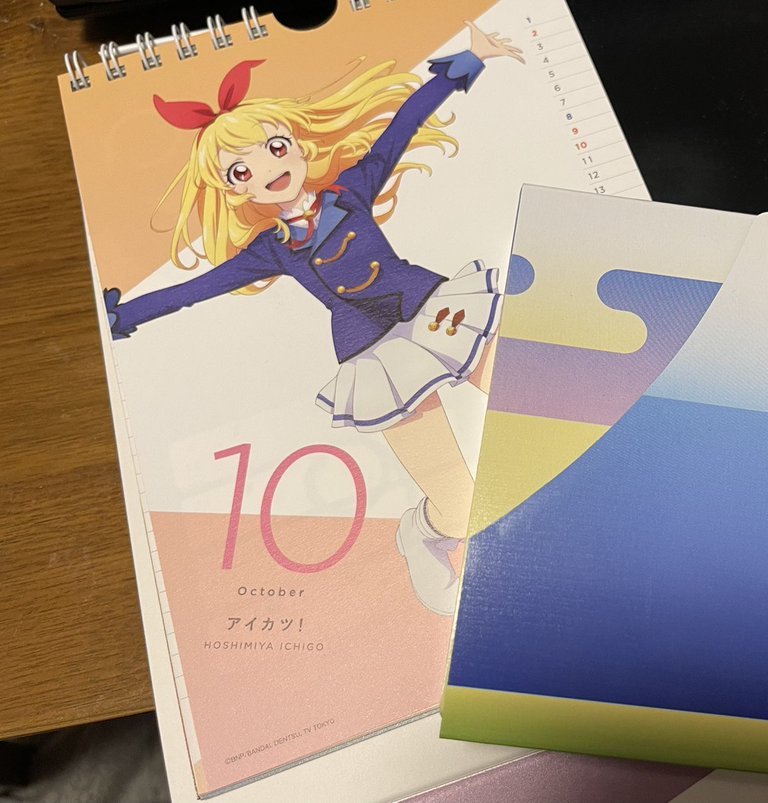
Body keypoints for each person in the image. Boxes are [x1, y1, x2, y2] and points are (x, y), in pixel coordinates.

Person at [104, 21, 523, 615]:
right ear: (234, 191)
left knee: (533, 401)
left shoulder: (352, 189)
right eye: (241, 171)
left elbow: (400, 128)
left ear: (299, 145)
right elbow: (197, 289)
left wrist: (468, 61)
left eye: (274, 148)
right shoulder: (270, 249)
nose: (266, 170)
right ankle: (423, 533)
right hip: (371, 348)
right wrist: (119, 316)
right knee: (459, 507)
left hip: (428, 304)